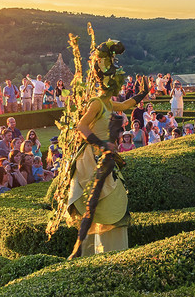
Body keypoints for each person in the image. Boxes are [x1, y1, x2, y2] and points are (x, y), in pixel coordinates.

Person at [63, 40, 147, 256]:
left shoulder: (108, 103)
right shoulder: (97, 103)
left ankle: (104, 252)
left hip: (105, 157)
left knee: (107, 202)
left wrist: (142, 94)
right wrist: (101, 144)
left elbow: (125, 105)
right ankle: (84, 252)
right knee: (95, 204)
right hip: (92, 159)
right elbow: (81, 126)